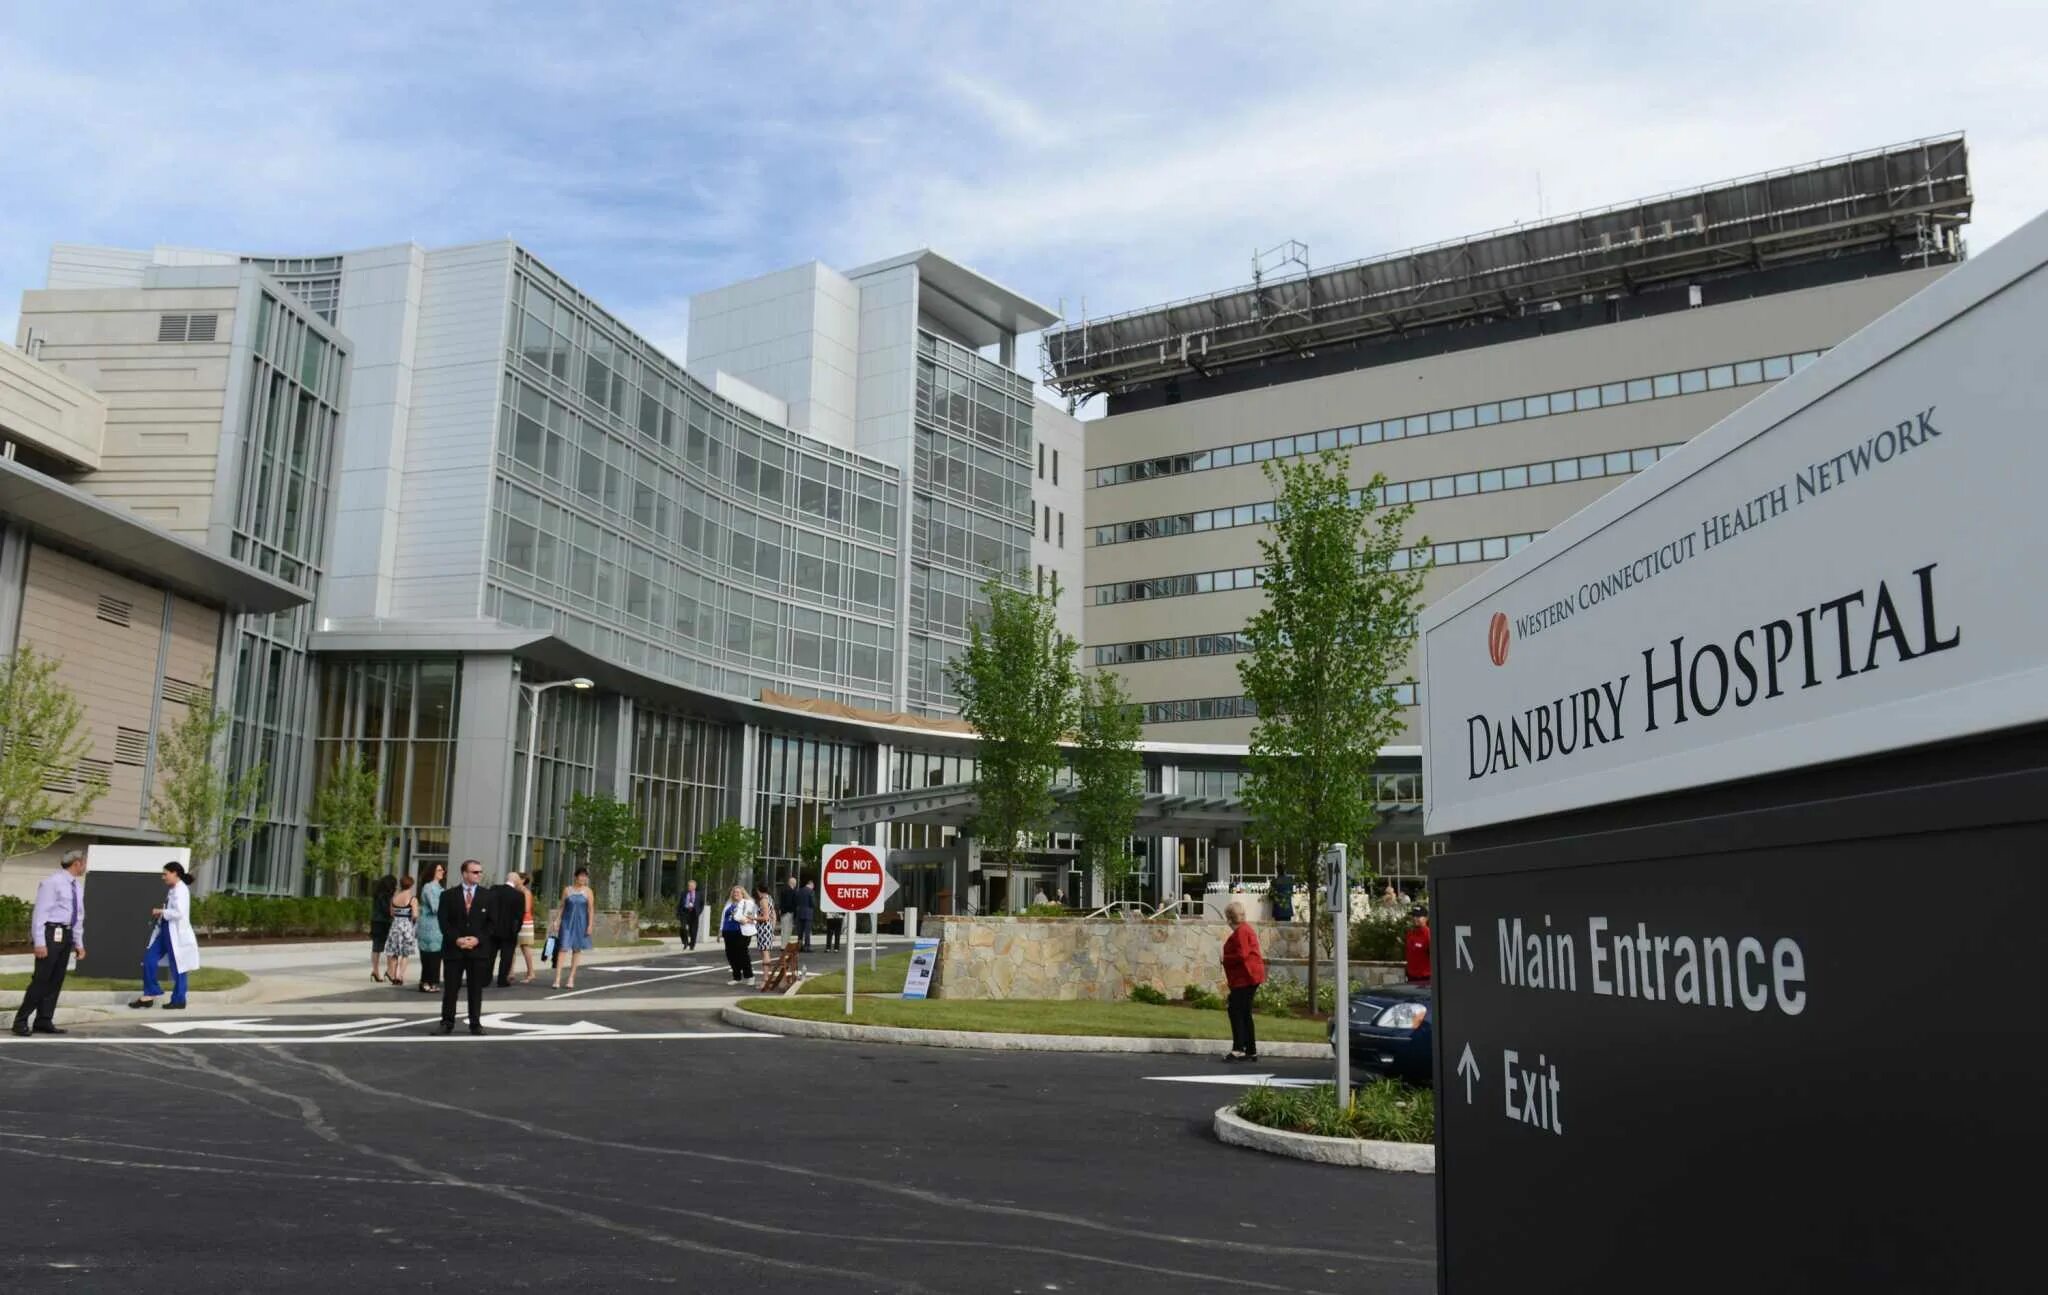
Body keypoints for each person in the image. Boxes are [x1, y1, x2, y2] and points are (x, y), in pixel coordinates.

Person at [12, 849, 87, 1037]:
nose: (85, 866)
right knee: (41, 979)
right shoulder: (52, 883)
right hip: (51, 933)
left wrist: (79, 943)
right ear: (77, 863)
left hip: (67, 934)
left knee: (56, 980)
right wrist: (39, 942)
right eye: (83, 862)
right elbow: (40, 914)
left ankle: (44, 1020)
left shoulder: (77, 886)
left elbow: (78, 916)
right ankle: (20, 1020)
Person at [131, 862, 201, 1011]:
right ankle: (150, 994)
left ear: (175, 873)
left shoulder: (181, 890)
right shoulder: (173, 889)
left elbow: (179, 913)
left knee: (179, 968)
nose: (163, 877)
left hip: (175, 934)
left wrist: (161, 912)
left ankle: (179, 1000)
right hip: (165, 931)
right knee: (149, 959)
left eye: (165, 874)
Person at [437, 859, 496, 1034]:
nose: (479, 875)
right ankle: (447, 1022)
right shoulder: (448, 896)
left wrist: (478, 939)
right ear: (464, 874)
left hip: (478, 951)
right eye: (475, 872)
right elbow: (443, 922)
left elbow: (492, 924)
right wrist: (457, 939)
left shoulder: (488, 896)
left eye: (480, 872)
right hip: (454, 951)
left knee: (475, 989)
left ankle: (475, 1023)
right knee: (450, 990)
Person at [1220, 899, 1267, 1063]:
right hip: (1251, 976)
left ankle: (1239, 1048)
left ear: (1229, 918)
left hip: (1245, 977)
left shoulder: (1241, 932)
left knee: (1236, 1010)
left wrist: (1225, 958)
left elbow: (1242, 955)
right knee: (1244, 1012)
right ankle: (1250, 1050)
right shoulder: (1246, 929)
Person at [549, 867, 595, 990]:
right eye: (581, 876)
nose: (583, 878)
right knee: (562, 949)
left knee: (577, 949)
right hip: (567, 922)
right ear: (575, 877)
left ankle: (571, 978)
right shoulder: (567, 890)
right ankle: (557, 978)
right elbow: (562, 906)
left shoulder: (588, 891)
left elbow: (591, 909)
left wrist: (590, 925)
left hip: (581, 923)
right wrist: (557, 920)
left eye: (585, 876)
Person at [493, 871, 537, 987]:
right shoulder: (515, 892)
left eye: (519, 878)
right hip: (514, 922)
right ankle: (510, 972)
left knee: (524, 946)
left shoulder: (524, 892)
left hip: (524, 921)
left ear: (522, 881)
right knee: (511, 948)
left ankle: (531, 972)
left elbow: (526, 908)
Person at [416, 861, 447, 995]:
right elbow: (435, 907)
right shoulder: (429, 887)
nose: (442, 872)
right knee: (430, 955)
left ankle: (432, 981)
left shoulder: (439, 887)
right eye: (439, 870)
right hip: (429, 926)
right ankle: (426, 981)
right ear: (432, 871)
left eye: (442, 870)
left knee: (436, 955)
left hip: (437, 926)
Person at [384, 874, 419, 987]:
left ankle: (393, 976)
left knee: (394, 953)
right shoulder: (412, 899)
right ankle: (400, 976)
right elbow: (415, 915)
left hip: (395, 926)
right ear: (411, 885)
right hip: (406, 926)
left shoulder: (394, 898)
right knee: (405, 953)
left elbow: (391, 913)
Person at [719, 885, 758, 983]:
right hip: (728, 932)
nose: (735, 894)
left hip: (741, 932)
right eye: (734, 892)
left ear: (743, 894)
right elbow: (723, 918)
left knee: (742, 954)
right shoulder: (729, 904)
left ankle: (750, 976)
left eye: (738, 892)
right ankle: (736, 977)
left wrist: (746, 920)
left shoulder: (748, 903)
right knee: (731, 955)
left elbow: (753, 918)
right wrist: (720, 931)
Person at [369, 873, 396, 982]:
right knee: (390, 947)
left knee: (376, 947)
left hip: (375, 921)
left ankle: (375, 971)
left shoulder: (377, 894)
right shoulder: (387, 896)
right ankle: (390, 971)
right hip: (385, 922)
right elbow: (387, 910)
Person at [1405, 906, 1433, 983]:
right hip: (1411, 977)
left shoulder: (1429, 935)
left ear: (1426, 918)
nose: (1415, 918)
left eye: (1418, 916)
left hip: (1425, 978)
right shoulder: (1409, 934)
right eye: (1413, 916)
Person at [753, 885, 777, 964]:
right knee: (766, 951)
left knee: (764, 952)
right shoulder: (770, 898)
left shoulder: (763, 900)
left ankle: (766, 975)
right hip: (768, 927)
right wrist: (772, 928)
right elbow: (773, 915)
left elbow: (765, 917)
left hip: (763, 928)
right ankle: (766, 974)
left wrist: (753, 917)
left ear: (759, 891)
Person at [676, 879, 702, 951]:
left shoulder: (699, 894)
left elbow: (701, 904)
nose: (689, 887)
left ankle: (692, 944)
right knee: (682, 928)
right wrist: (678, 913)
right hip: (685, 912)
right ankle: (685, 942)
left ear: (694, 887)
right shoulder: (684, 893)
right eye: (688, 886)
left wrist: (699, 912)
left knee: (693, 931)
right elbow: (680, 903)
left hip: (694, 913)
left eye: (691, 886)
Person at [793, 880, 817, 952]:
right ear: (811, 885)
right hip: (808, 913)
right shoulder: (811, 892)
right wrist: (814, 906)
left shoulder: (799, 891)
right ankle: (807, 947)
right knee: (807, 931)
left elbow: (796, 901)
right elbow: (812, 903)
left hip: (800, 912)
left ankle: (799, 946)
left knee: (800, 931)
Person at [778, 874, 799, 941]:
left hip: (783, 913)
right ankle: (784, 946)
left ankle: (783, 946)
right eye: (795, 883)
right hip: (789, 913)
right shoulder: (792, 891)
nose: (796, 884)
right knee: (787, 931)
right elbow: (790, 903)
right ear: (793, 883)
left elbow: (781, 902)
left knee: (784, 930)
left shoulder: (783, 890)